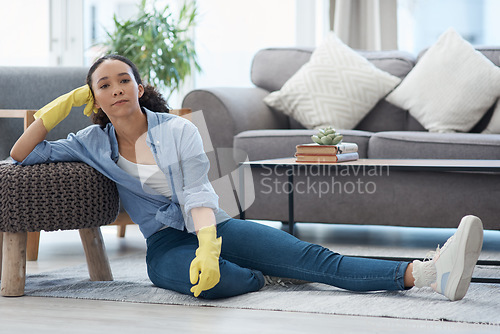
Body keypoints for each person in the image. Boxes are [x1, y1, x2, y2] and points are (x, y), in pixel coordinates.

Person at [10, 54, 484, 301]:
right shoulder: (91, 144)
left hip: (214, 229)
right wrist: (61, 106)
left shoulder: (178, 129)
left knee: (316, 259)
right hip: (166, 247)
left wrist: (211, 247)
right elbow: (20, 154)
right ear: (93, 98)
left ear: (139, 86)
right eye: (102, 86)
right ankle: (262, 278)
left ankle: (426, 273)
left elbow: (198, 193)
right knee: (205, 285)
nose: (116, 90)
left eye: (123, 80)